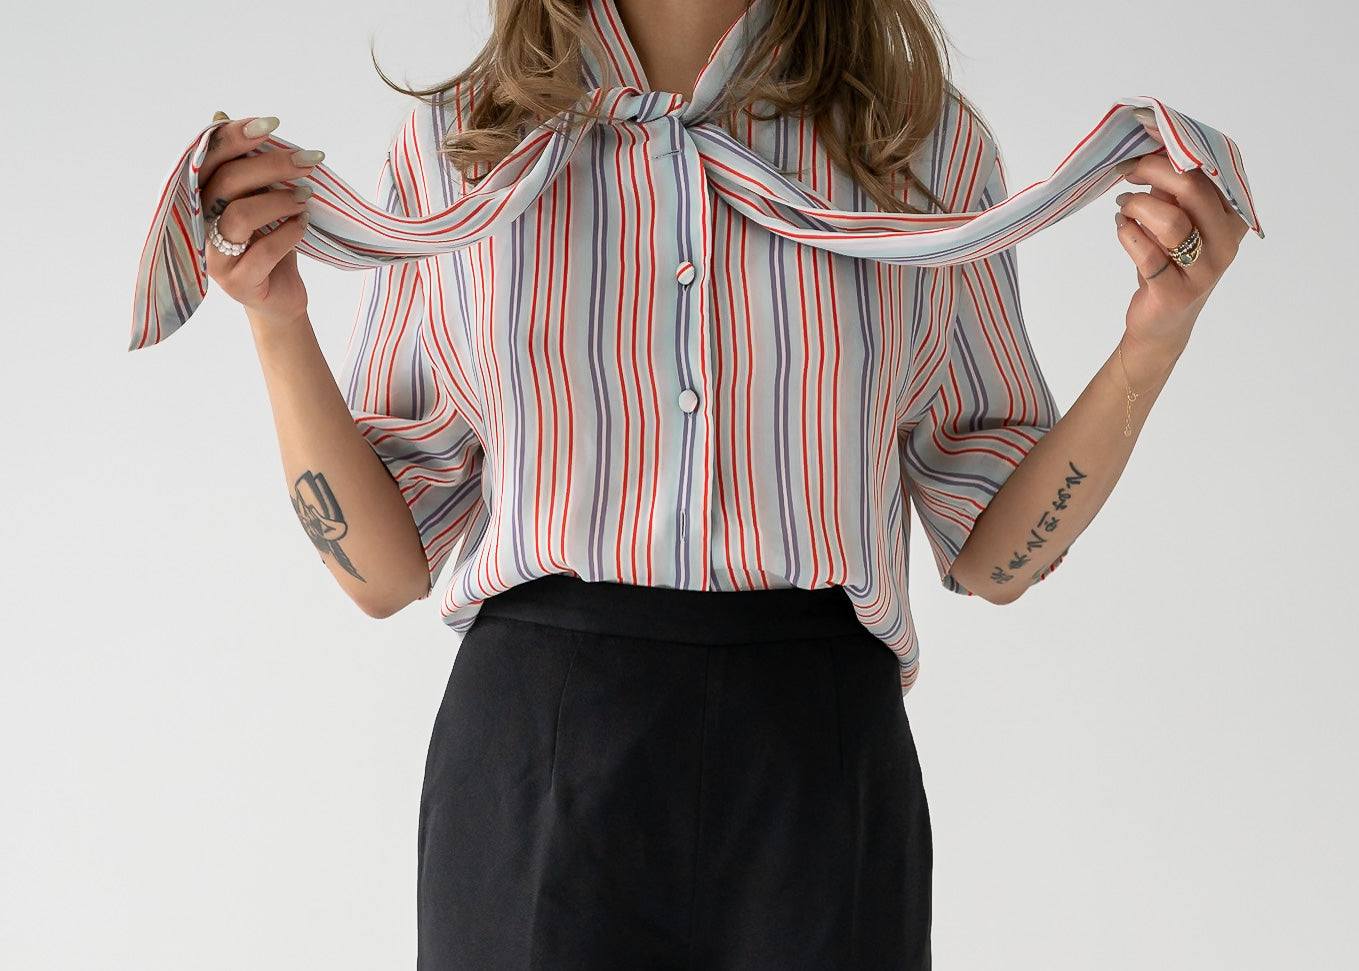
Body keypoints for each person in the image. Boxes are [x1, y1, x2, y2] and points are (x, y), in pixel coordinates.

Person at [187, 0, 1250, 967]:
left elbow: (993, 550)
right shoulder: (465, 144)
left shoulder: (918, 144)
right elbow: (382, 569)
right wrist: (278, 321)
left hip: (818, 754)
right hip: (537, 749)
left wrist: (1154, 338)